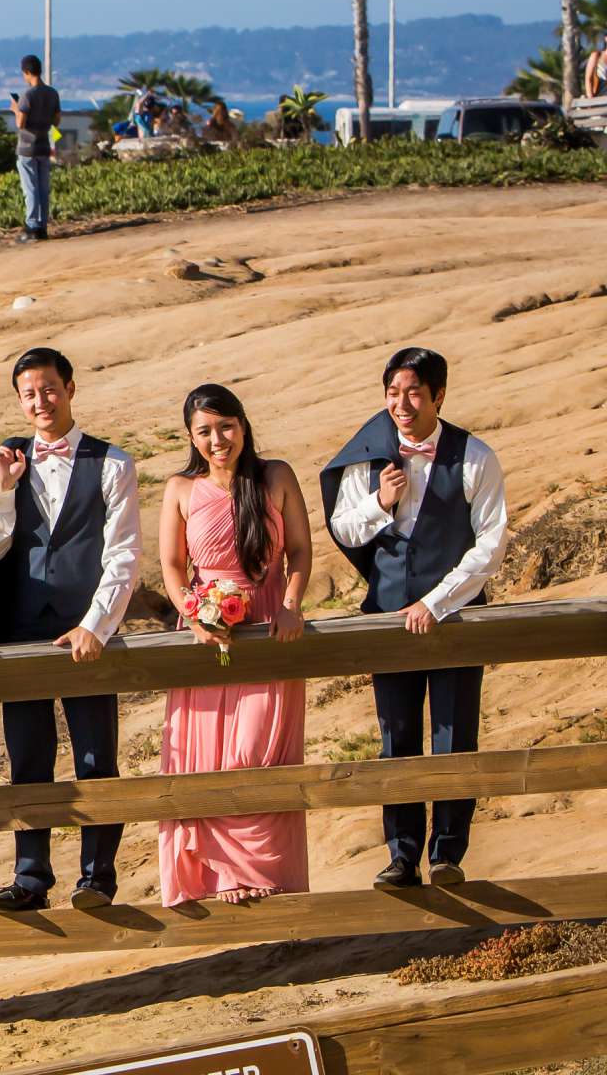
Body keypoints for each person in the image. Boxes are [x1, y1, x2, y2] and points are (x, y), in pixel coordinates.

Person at [319, 346, 507, 889]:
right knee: (395, 738)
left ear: (438, 396)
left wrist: (437, 603)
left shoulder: (476, 458)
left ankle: (447, 855)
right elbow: (345, 530)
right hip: (387, 621)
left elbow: (489, 547)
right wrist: (380, 502)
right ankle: (401, 856)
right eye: (393, 393)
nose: (402, 404)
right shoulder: (368, 455)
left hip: (454, 621)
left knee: (454, 735)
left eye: (414, 393)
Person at [0, 347, 141, 913]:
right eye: (28, 394)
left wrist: (96, 625)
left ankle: (97, 878)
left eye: (49, 389)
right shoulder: (1, 466)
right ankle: (31, 879)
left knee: (96, 755)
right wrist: (7, 491)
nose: (40, 402)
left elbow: (124, 556)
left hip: (87, 634)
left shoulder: (113, 464)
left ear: (70, 387)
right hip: (21, 632)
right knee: (28, 759)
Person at [158, 385, 313, 905]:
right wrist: (193, 616)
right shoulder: (181, 488)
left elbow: (299, 553)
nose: (217, 439)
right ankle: (221, 876)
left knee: (255, 751)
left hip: (268, 623)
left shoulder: (276, 477)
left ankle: (261, 874)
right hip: (206, 633)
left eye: (225, 426)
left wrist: (291, 604)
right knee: (207, 756)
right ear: (191, 437)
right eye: (204, 431)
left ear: (243, 425)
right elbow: (174, 567)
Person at [10, 54, 60, 243]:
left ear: (27, 72)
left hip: (27, 147)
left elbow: (21, 124)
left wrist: (15, 109)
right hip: (44, 145)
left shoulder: (27, 95)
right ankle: (42, 227)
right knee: (42, 187)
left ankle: (32, 225)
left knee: (30, 187)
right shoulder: (52, 93)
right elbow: (57, 120)